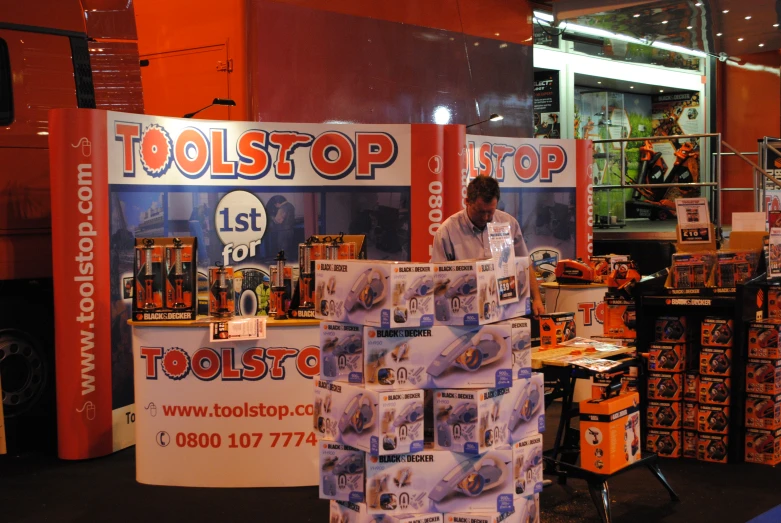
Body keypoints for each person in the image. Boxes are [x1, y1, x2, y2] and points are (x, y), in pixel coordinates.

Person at [431, 176, 544, 315]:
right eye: (480, 211)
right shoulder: (447, 231)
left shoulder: (509, 223)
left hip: (506, 308)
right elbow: (438, 278)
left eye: (490, 212)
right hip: (464, 311)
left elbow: (525, 264)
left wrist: (537, 299)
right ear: (467, 202)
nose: (485, 217)